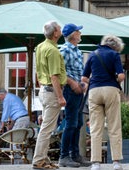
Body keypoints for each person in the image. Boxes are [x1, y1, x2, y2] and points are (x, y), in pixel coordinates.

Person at [81, 35, 125, 170]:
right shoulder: (114, 55)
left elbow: (84, 78)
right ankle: (116, 162)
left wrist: (95, 82)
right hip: (111, 90)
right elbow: (122, 76)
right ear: (116, 46)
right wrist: (113, 80)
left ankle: (95, 163)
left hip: (94, 91)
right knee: (114, 126)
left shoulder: (93, 55)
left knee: (95, 128)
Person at [33, 21, 67, 169]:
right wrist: (60, 96)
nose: (61, 30)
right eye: (59, 28)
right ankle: (39, 160)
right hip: (52, 91)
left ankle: (44, 159)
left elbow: (39, 71)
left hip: (44, 89)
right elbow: (54, 76)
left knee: (46, 127)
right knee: (47, 129)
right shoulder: (53, 51)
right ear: (55, 33)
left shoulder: (40, 47)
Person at [59, 23, 90, 167]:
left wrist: (83, 83)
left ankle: (75, 155)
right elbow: (60, 72)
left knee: (78, 123)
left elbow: (78, 71)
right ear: (73, 34)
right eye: (78, 31)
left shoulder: (77, 50)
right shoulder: (64, 50)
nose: (80, 33)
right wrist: (72, 83)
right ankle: (64, 156)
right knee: (71, 123)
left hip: (78, 90)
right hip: (70, 91)